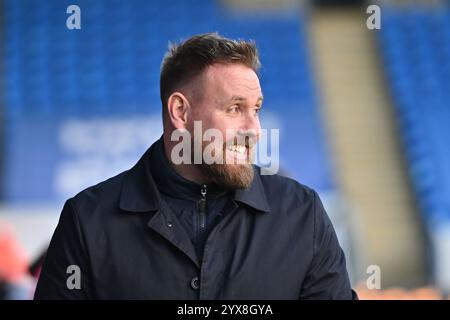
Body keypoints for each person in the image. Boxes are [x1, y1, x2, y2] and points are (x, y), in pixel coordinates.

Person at [34, 33, 357, 299]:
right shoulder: (87, 219)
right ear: (180, 111)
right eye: (234, 108)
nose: (254, 129)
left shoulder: (302, 213)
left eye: (256, 109)